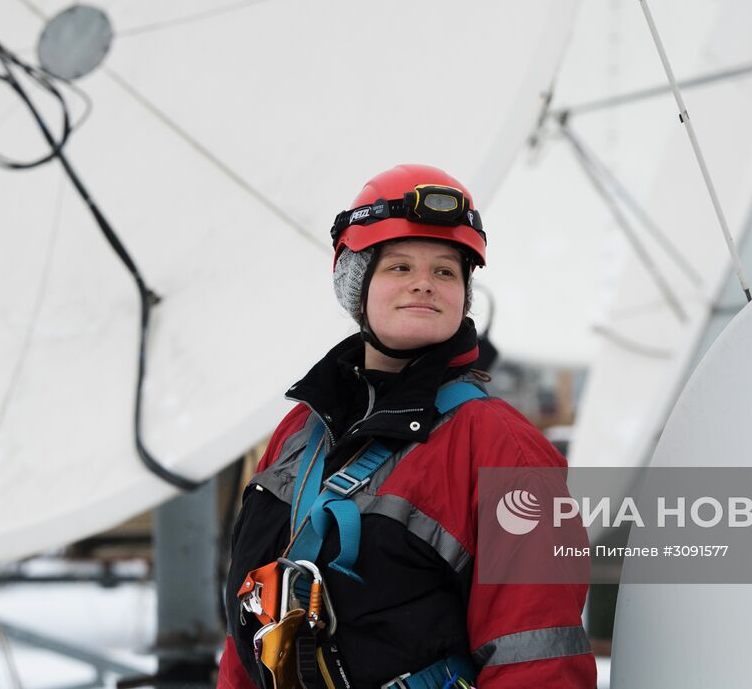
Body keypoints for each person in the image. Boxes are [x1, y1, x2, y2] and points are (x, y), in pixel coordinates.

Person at [218, 165, 595, 689]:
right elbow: (249, 636)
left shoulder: (501, 449)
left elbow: (538, 662)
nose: (424, 282)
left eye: (446, 271)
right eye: (398, 266)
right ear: (357, 284)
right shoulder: (300, 431)